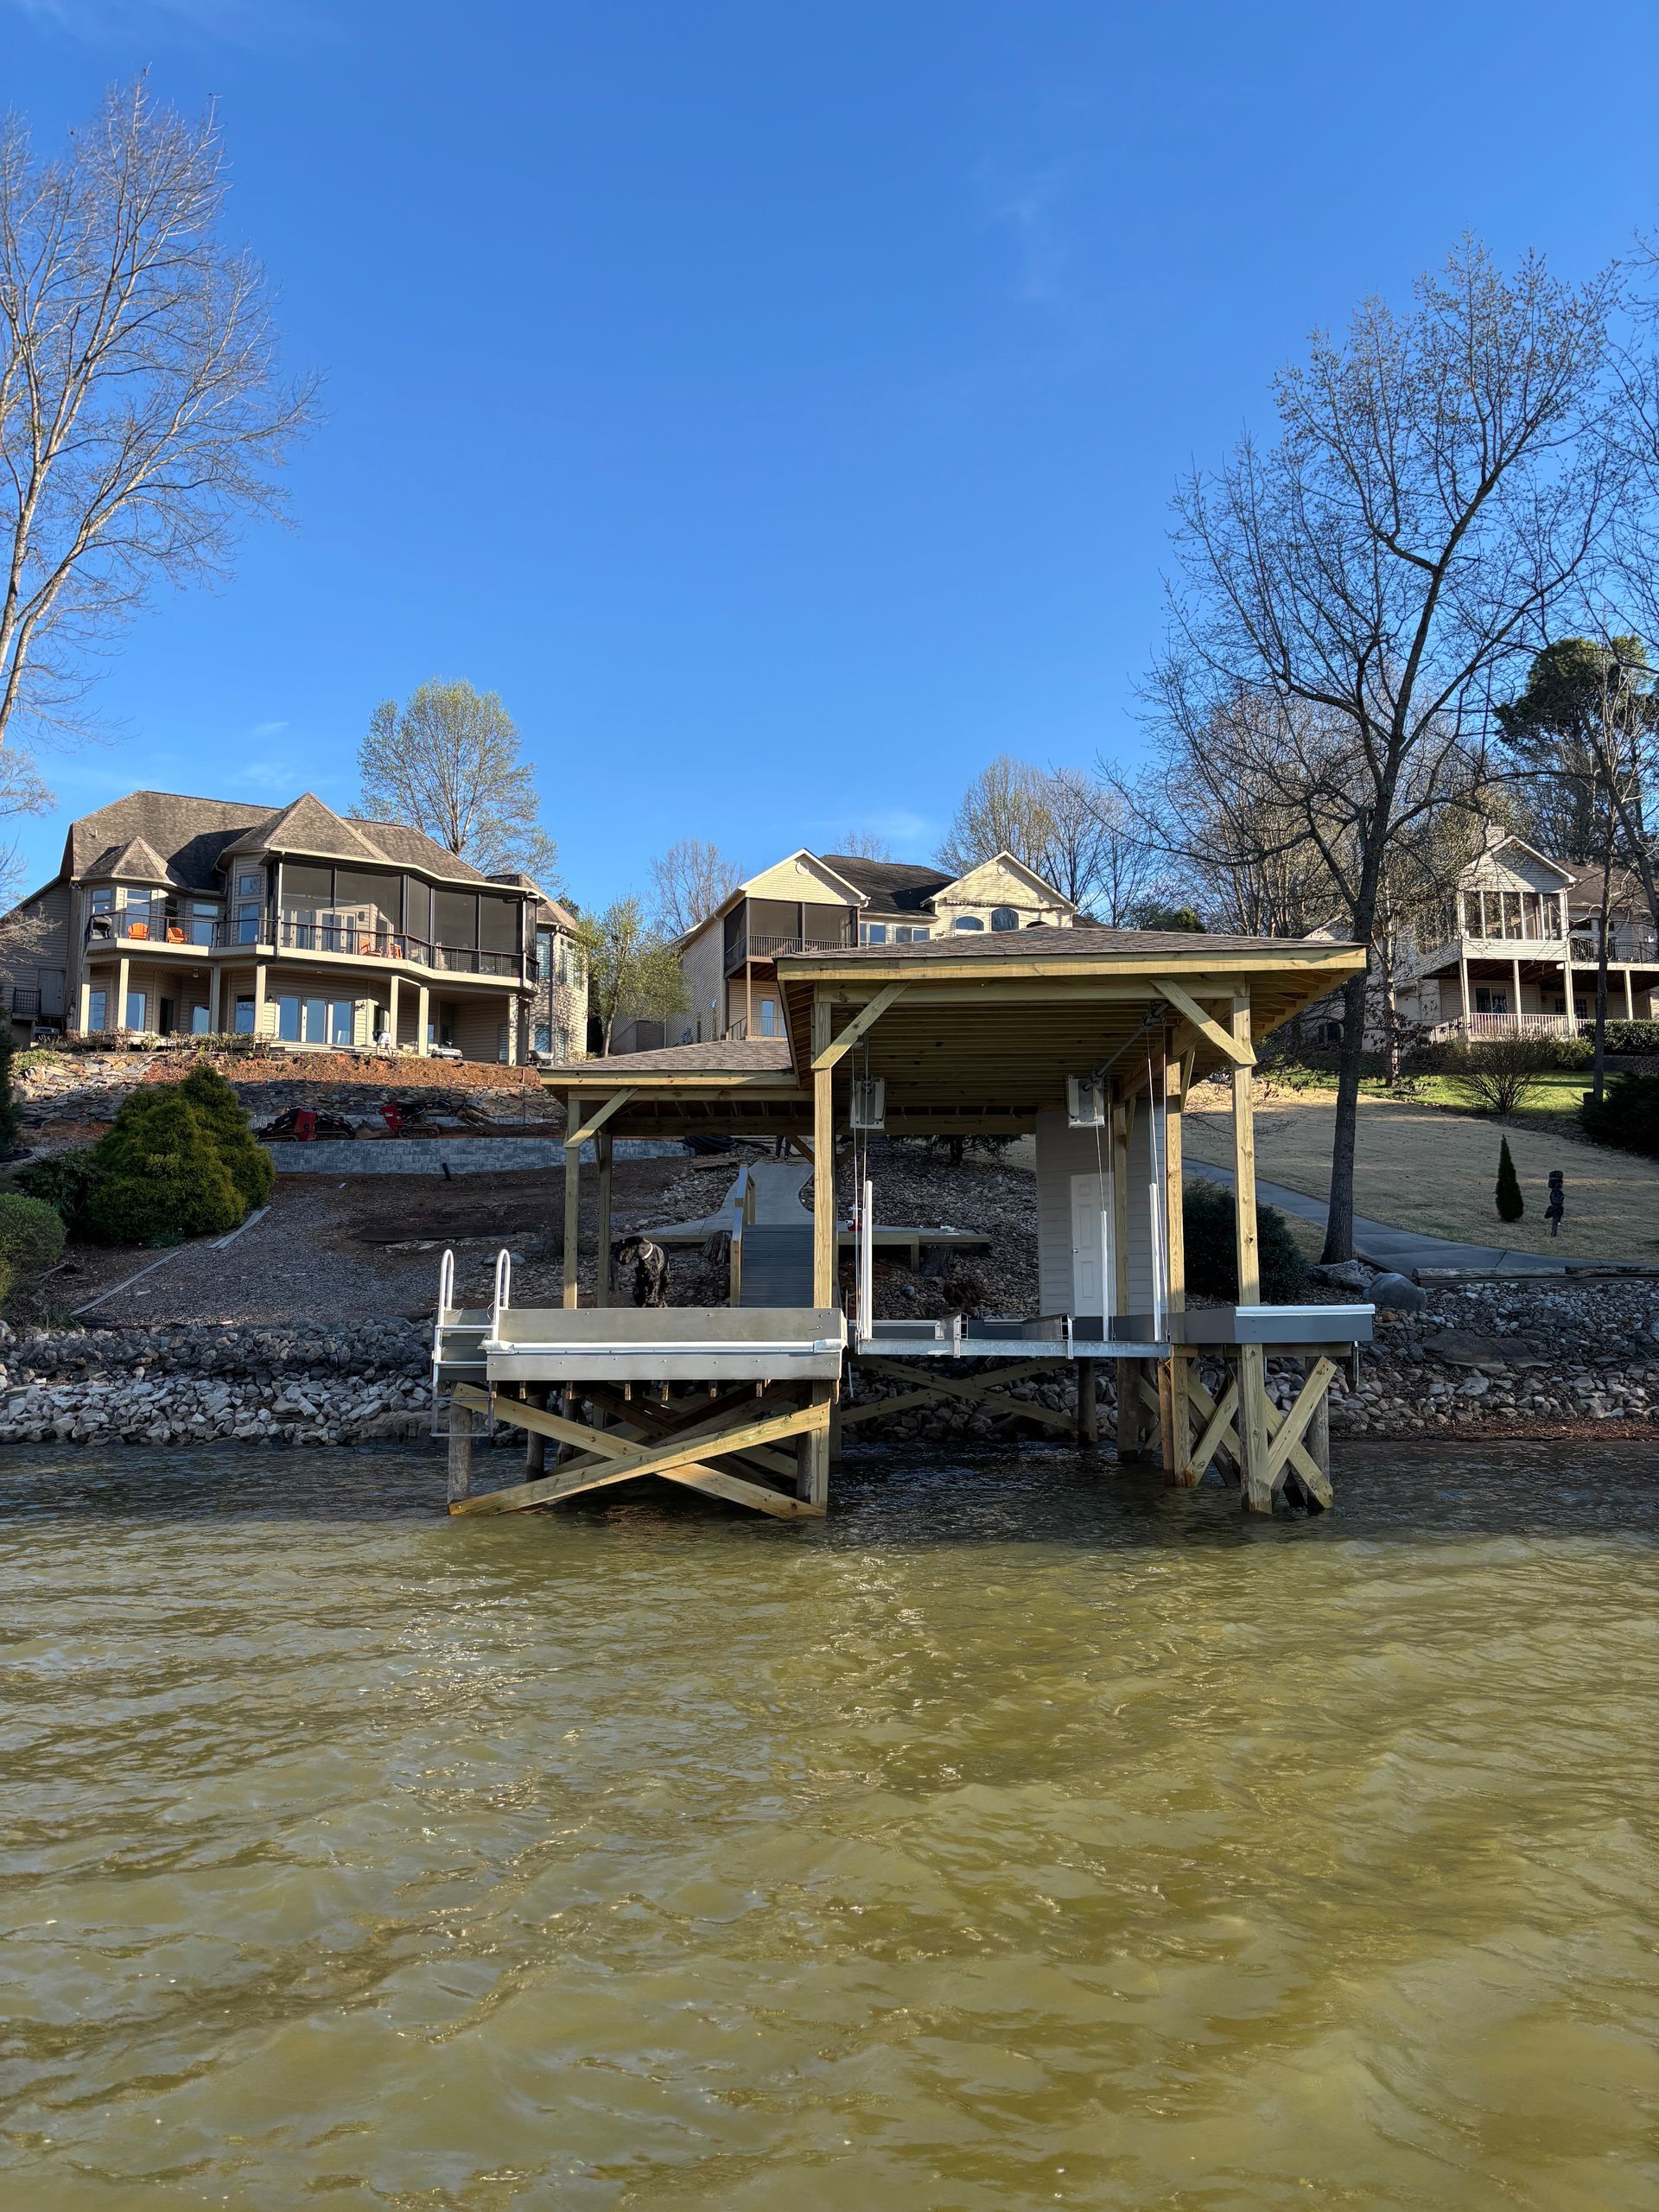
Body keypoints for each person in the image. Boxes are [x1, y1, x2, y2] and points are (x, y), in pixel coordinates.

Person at [1546, 1170, 1565, 1238]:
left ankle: (1554, 1232)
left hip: (1556, 1206)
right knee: (1556, 1219)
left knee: (1556, 1219)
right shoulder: (1557, 1192)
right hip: (1556, 1206)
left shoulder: (1556, 1192)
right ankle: (1554, 1232)